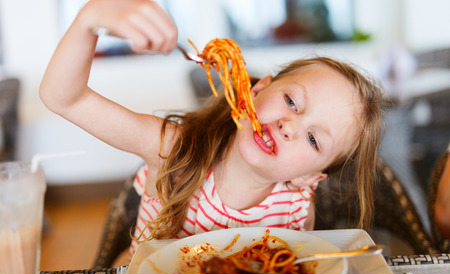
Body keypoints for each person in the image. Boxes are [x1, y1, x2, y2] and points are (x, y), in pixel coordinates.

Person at [39, 0, 384, 259]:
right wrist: (91, 18)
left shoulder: (295, 208)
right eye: (292, 102)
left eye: (313, 139)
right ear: (258, 89)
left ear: (311, 177)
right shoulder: (175, 149)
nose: (289, 126)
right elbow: (63, 98)